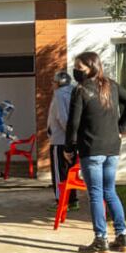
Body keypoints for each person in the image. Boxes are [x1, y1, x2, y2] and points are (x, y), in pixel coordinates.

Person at [64, 52, 126, 253]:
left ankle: (100, 240)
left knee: (95, 193)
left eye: (80, 68)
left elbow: (73, 123)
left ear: (91, 67)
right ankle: (122, 236)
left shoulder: (80, 90)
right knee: (109, 191)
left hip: (91, 148)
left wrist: (68, 148)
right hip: (112, 147)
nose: (76, 71)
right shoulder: (111, 85)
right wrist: (120, 127)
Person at [47, 71, 78, 211]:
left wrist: (69, 134)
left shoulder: (59, 94)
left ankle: (61, 201)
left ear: (59, 83)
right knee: (70, 172)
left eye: (53, 82)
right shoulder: (74, 92)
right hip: (70, 140)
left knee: (59, 172)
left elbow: (62, 117)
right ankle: (72, 200)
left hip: (59, 140)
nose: (52, 84)